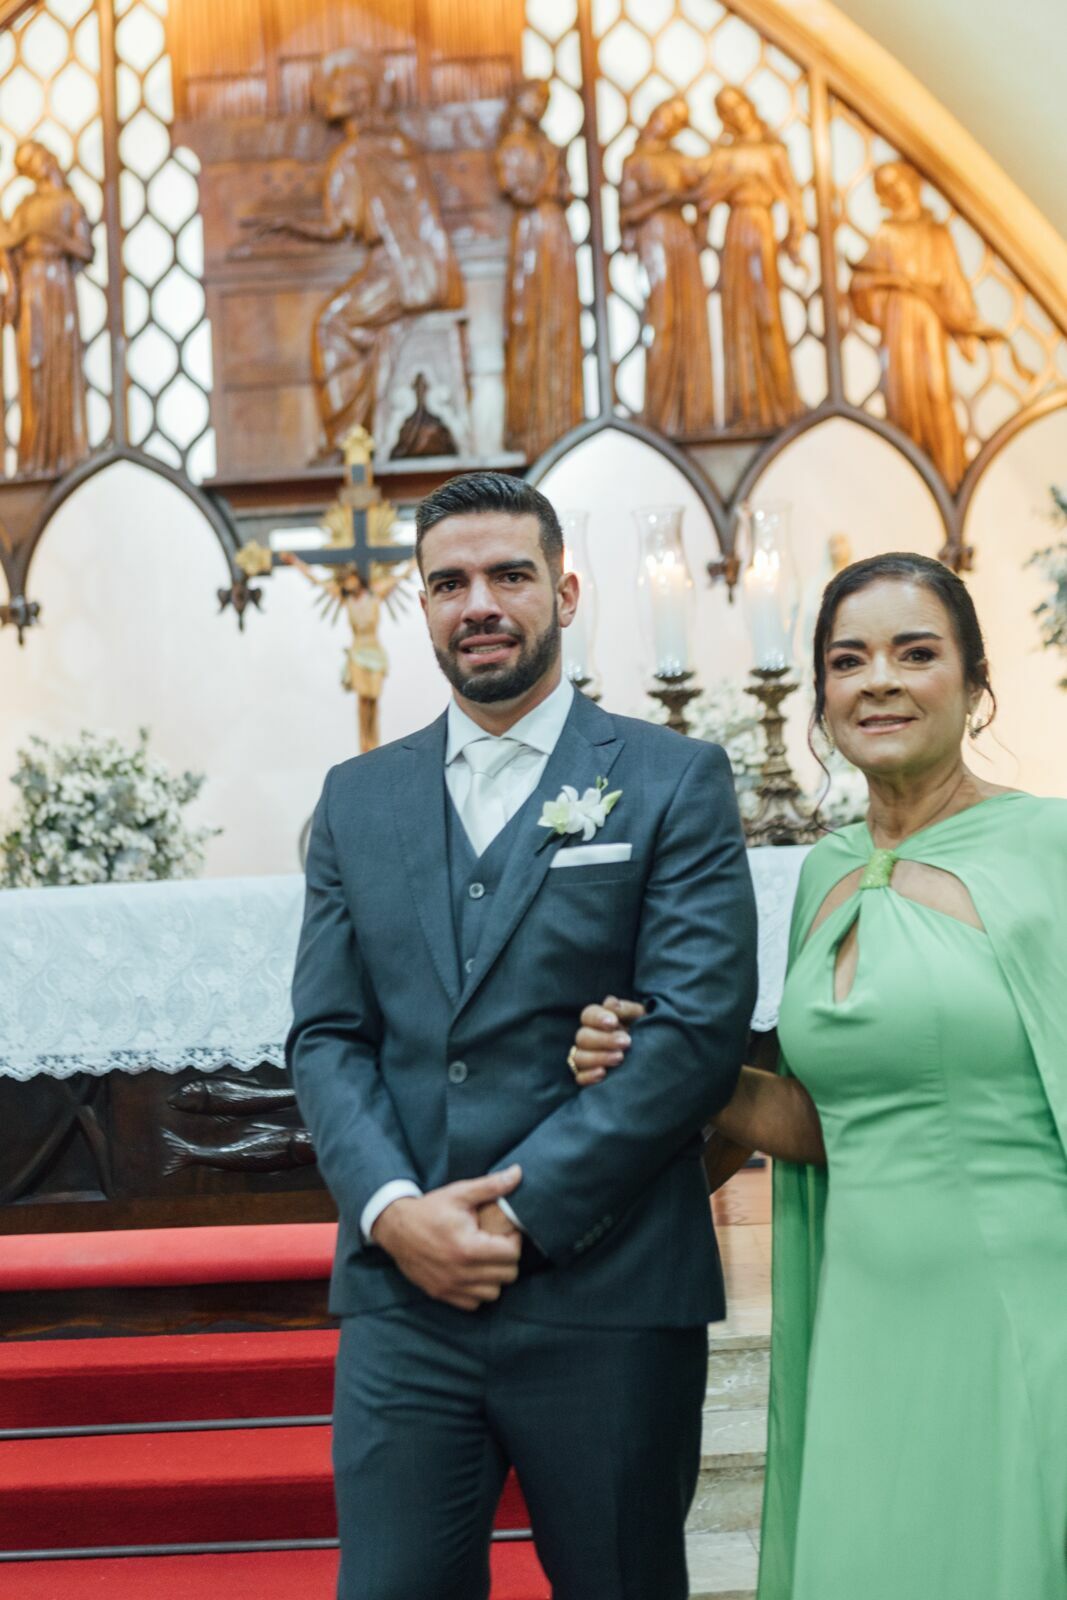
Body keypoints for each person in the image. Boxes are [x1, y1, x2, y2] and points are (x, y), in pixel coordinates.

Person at [287, 470, 758, 1599]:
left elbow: (694, 1030)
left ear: (565, 591)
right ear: (422, 604)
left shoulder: (670, 778)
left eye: (508, 575)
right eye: (449, 584)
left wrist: (513, 1213)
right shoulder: (355, 798)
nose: (479, 605)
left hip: (608, 1289)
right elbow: (328, 1036)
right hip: (406, 1295)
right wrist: (395, 1213)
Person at [570, 551, 1067, 1599]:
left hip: (1021, 1295)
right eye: (848, 660)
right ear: (820, 695)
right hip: (863, 1306)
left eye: (914, 653)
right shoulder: (826, 873)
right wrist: (660, 1060)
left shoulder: (1047, 847)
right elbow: (817, 1118)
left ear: (975, 682)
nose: (877, 680)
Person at [696, 87, 806, 430]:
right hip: (736, 230)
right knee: (738, 314)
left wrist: (795, 239)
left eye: (737, 106)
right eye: (726, 111)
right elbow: (704, 198)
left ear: (749, 105)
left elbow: (793, 198)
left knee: (766, 311)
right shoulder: (724, 154)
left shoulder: (773, 151)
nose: (735, 114)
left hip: (761, 227)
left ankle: (781, 400)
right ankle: (744, 405)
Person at [495, 79, 584, 462]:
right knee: (528, 319)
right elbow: (518, 189)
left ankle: (561, 419)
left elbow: (564, 190)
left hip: (554, 231)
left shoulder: (545, 143)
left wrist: (556, 177)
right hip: (533, 232)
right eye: (534, 98)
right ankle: (530, 424)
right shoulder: (512, 145)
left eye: (545, 100)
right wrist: (548, 181)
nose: (539, 106)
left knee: (559, 320)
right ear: (519, 99)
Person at [619, 96, 715, 437]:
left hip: (681, 240)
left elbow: (705, 197)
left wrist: (701, 232)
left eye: (677, 120)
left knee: (691, 318)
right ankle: (660, 412)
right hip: (654, 237)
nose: (667, 123)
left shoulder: (680, 160)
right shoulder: (635, 162)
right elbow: (627, 214)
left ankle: (692, 411)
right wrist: (664, 199)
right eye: (666, 114)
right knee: (664, 318)